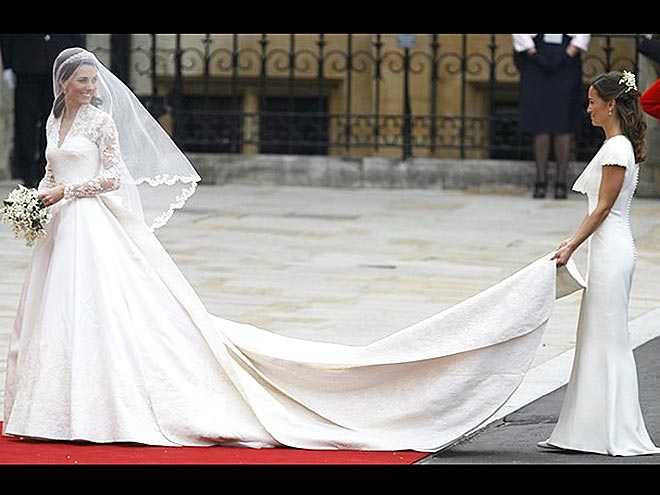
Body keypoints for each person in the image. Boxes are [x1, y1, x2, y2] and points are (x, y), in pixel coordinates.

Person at [2, 48, 586, 451]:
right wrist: (42, 200)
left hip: (90, 222)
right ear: (63, 85)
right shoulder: (54, 124)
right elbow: (56, 164)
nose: (91, 86)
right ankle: (55, 402)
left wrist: (56, 193)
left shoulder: (102, 122)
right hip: (63, 230)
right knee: (57, 312)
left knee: (108, 309)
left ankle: (106, 402)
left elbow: (112, 178)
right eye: (82, 81)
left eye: (93, 79)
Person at [538, 70, 660, 456]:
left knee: (610, 341)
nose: (588, 108)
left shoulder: (616, 149)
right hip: (608, 250)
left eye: (592, 102)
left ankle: (616, 431)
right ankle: (587, 430)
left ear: (611, 105)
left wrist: (571, 244)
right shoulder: (618, 146)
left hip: (611, 251)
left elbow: (604, 208)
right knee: (597, 339)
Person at [512, 34, 591, 200]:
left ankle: (561, 181)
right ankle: (541, 180)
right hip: (536, 59)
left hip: (567, 60)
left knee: (563, 120)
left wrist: (569, 52)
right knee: (540, 121)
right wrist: (532, 52)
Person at [0, 34, 84, 187]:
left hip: (58, 62)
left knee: (54, 119)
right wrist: (8, 64)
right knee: (25, 121)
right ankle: (27, 172)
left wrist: (76, 59)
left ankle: (47, 169)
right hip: (26, 61)